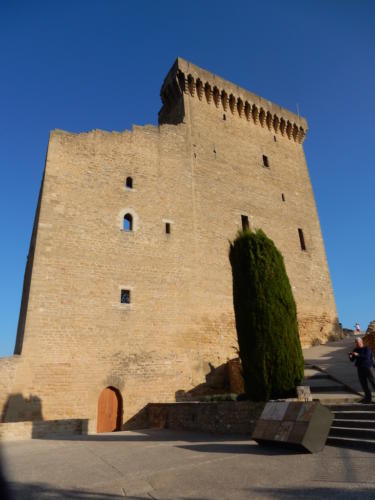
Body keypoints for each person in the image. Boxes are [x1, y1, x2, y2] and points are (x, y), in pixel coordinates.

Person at [349, 337, 375, 403]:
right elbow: (352, 360)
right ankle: (368, 398)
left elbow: (366, 357)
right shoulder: (355, 349)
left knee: (373, 382)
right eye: (356, 343)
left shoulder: (367, 348)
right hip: (360, 368)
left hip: (368, 368)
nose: (357, 344)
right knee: (363, 384)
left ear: (361, 342)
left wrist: (358, 354)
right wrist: (351, 356)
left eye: (358, 343)